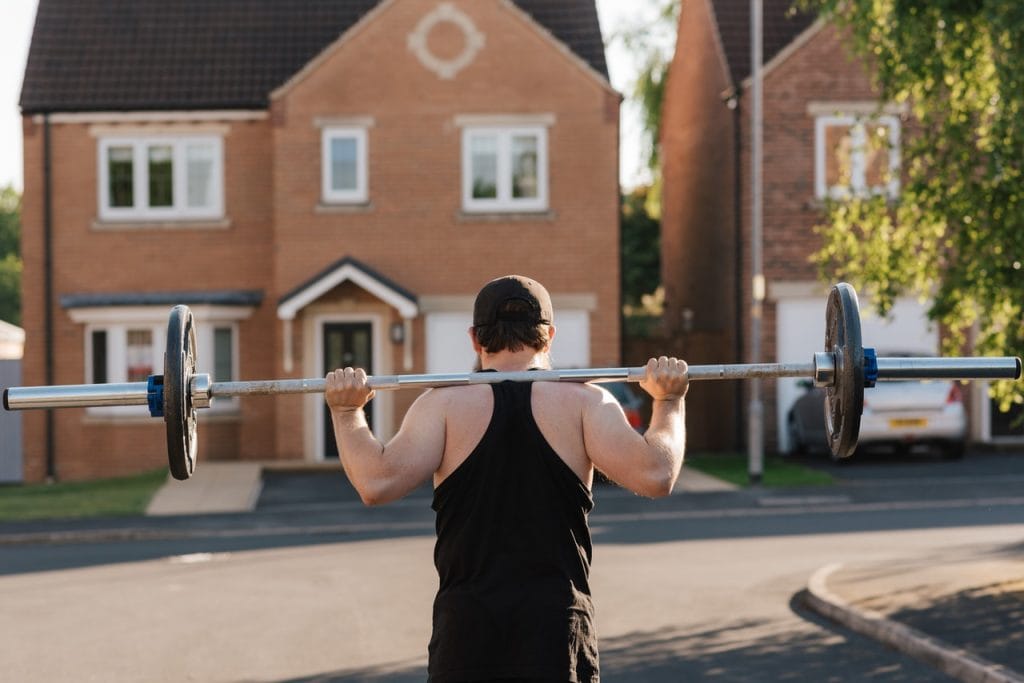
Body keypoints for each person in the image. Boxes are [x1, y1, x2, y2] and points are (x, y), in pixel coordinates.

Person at [325, 275, 689, 683]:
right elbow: (658, 474)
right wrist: (669, 401)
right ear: (548, 336)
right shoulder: (586, 403)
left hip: (468, 633)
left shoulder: (441, 405)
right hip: (554, 633)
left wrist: (346, 412)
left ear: (475, 339)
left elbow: (375, 483)